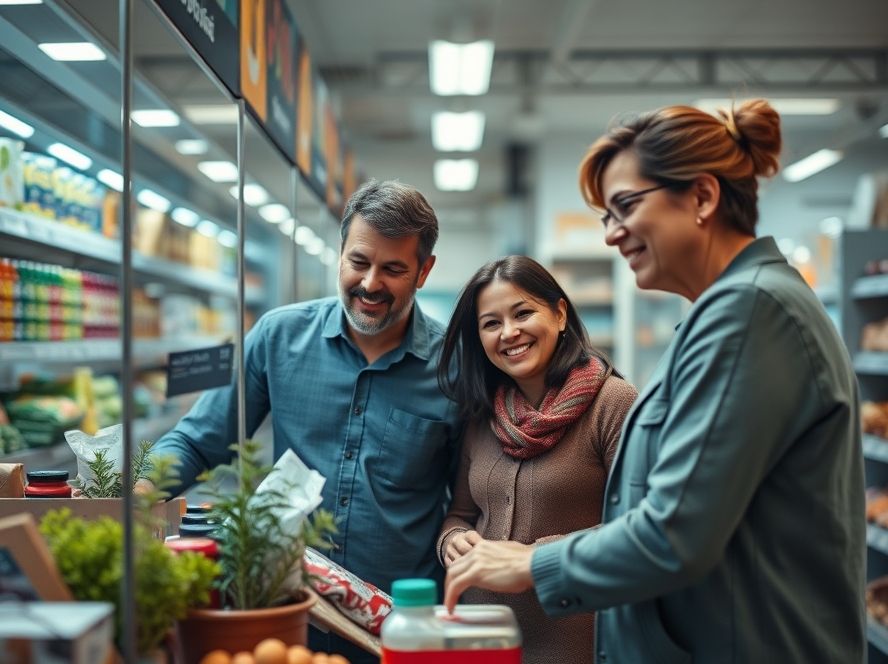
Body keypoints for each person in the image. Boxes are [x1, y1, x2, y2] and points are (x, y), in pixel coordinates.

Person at [443, 99, 866, 663]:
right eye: (606, 217)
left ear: (702, 197)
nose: (612, 235)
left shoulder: (749, 316)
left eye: (625, 207)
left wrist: (530, 562)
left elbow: (674, 533)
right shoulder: (729, 315)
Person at [152, 179, 461, 663]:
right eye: (358, 261)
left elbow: (470, 499)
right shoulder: (279, 336)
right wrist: (133, 489)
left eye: (393, 269)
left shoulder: (454, 367)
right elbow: (197, 440)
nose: (370, 284)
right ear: (339, 255)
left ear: (424, 271)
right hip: (285, 616)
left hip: (400, 627)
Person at [436, 255, 636, 663]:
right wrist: (452, 540)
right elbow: (461, 514)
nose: (509, 332)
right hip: (481, 642)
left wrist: (533, 558)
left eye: (523, 313)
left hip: (576, 647)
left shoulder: (614, 404)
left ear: (560, 314)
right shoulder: (482, 415)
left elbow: (638, 531)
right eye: (491, 323)